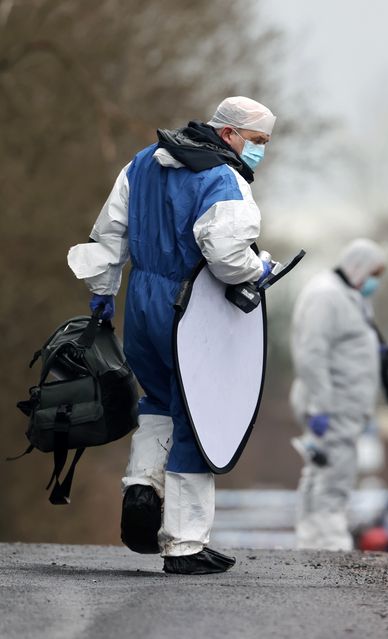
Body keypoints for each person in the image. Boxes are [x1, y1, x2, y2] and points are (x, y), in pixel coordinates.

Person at [67, 96, 277, 574]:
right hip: (192, 309)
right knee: (198, 416)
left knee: (157, 400)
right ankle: (184, 543)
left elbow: (108, 235)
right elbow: (225, 253)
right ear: (229, 134)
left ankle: (142, 487)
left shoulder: (141, 162)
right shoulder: (223, 178)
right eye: (259, 141)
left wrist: (103, 294)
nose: (260, 151)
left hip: (141, 300)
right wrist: (257, 268)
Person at [289, 238, 386, 550]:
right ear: (360, 266)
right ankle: (330, 541)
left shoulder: (346, 295)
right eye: (375, 273)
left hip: (340, 403)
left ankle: (311, 537)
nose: (375, 282)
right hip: (332, 404)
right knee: (335, 471)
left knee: (320, 468)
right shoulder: (327, 295)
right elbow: (311, 353)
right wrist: (320, 405)